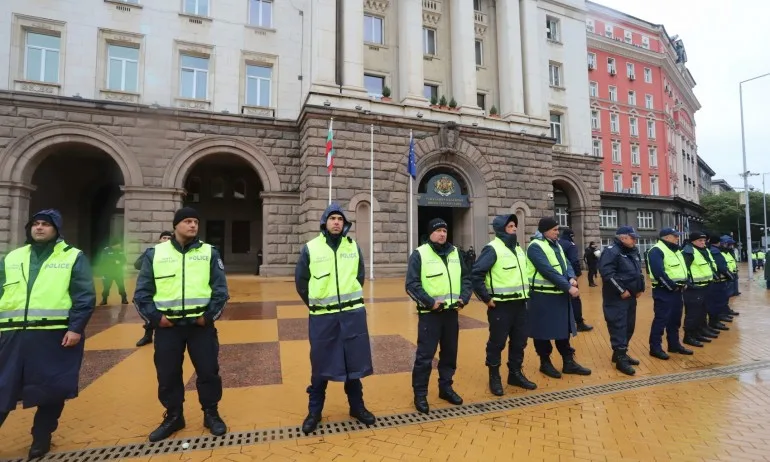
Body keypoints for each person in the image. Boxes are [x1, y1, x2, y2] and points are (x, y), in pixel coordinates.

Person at [0, 209, 96, 458]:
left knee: (52, 389)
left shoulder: (73, 257)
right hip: (12, 336)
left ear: (56, 229)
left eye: (45, 224)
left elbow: (84, 296)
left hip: (55, 336)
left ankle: (41, 438)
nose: (39, 228)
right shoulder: (13, 257)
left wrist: (75, 328)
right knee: (3, 387)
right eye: (36, 224)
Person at [134, 207, 229, 442]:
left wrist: (207, 317)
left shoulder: (209, 253)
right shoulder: (155, 254)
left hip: (200, 327)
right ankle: (174, 416)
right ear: (176, 225)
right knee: (168, 375)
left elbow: (221, 291)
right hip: (169, 328)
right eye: (187, 221)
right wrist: (157, 319)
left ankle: (211, 413)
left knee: (208, 371)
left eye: (195, 221)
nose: (193, 225)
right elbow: (142, 293)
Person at [295, 203, 376, 434]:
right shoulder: (311, 248)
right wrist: (316, 304)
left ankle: (357, 407)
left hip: (352, 316)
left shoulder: (353, 247)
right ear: (325, 222)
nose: (337, 222)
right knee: (320, 366)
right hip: (323, 319)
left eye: (340, 219)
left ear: (345, 223)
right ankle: (314, 412)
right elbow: (301, 282)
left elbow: (359, 276)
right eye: (332, 218)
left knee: (353, 364)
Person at [406, 218, 472, 414]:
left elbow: (466, 278)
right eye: (438, 231)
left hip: (451, 314)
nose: (442, 234)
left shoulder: (456, 253)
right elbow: (411, 284)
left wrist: (464, 298)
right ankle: (420, 394)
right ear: (430, 233)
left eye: (445, 230)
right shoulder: (420, 254)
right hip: (430, 315)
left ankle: (446, 388)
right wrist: (430, 303)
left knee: (450, 354)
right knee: (425, 356)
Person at [470, 215, 537, 396]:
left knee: (520, 341)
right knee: (497, 343)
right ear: (501, 229)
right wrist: (486, 298)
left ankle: (515, 374)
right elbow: (476, 274)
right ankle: (494, 376)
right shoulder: (492, 249)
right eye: (510, 226)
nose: (514, 228)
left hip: (520, 304)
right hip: (500, 306)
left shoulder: (518, 249)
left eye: (515, 225)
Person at [526, 218, 591, 379]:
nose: (557, 232)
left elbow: (566, 263)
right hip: (542, 296)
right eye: (554, 230)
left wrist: (570, 276)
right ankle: (545, 362)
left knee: (563, 330)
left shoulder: (556, 245)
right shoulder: (535, 247)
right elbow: (547, 270)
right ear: (545, 230)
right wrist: (568, 287)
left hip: (558, 295)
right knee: (542, 332)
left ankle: (568, 362)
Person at [597, 226, 646, 375]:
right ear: (623, 238)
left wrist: (640, 288)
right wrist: (622, 290)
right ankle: (620, 359)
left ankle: (621, 353)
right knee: (618, 326)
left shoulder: (632, 250)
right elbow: (607, 273)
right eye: (633, 237)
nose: (635, 240)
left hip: (631, 297)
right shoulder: (611, 251)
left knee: (629, 326)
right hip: (617, 297)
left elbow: (638, 272)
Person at [646, 228, 691, 360]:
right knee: (661, 320)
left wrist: (685, 281)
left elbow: (682, 269)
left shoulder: (675, 250)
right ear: (666, 237)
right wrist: (672, 287)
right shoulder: (656, 251)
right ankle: (655, 348)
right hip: (664, 291)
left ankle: (674, 344)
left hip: (677, 291)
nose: (677, 238)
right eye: (675, 236)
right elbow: (658, 273)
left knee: (675, 320)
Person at [134, 231, 173, 347]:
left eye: (169, 238)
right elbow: (137, 264)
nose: (166, 240)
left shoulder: (174, 253)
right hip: (151, 285)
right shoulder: (151, 252)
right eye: (164, 238)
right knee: (149, 309)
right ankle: (148, 335)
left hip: (166, 287)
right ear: (159, 240)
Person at [680, 231, 715, 348]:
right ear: (693, 241)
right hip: (694, 288)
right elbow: (684, 269)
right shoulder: (688, 252)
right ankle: (688, 336)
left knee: (701, 312)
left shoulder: (702, 250)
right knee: (692, 314)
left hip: (704, 286)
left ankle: (698, 332)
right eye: (700, 240)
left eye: (704, 240)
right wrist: (688, 283)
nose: (703, 243)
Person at [558, 228, 593, 332]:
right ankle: (579, 323)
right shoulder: (571, 245)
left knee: (561, 299)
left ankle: (563, 323)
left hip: (558, 277)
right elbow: (574, 260)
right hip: (570, 276)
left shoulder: (557, 243)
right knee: (575, 299)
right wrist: (576, 274)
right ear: (571, 236)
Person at [99, 239, 128, 305]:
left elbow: (124, 260)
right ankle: (104, 300)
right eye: (118, 244)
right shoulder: (106, 250)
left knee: (121, 286)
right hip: (108, 273)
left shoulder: (120, 251)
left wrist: (119, 262)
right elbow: (103, 260)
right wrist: (114, 262)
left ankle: (124, 299)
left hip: (118, 273)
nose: (119, 245)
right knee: (106, 287)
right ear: (114, 245)